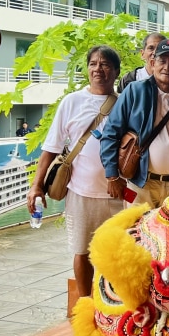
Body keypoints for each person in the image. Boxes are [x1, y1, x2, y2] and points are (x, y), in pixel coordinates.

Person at [31, 46, 121, 299]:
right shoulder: (72, 101)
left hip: (119, 193)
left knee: (117, 253)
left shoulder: (125, 102)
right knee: (82, 251)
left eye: (105, 65)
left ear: (116, 72)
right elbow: (51, 148)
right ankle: (86, 306)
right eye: (93, 64)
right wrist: (36, 186)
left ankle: (112, 306)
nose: (98, 70)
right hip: (81, 192)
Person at [101, 38, 169, 205]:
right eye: (162, 60)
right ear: (153, 62)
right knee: (136, 230)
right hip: (140, 185)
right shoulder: (134, 91)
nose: (167, 67)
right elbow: (111, 133)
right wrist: (112, 175)